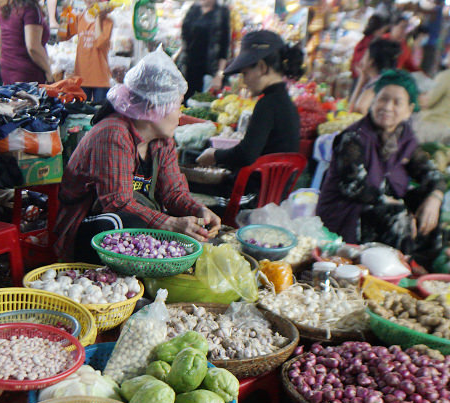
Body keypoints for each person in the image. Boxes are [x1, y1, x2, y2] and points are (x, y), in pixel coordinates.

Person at [55, 47, 221, 263]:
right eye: (178, 106)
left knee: (160, 226)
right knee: (128, 222)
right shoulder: (113, 133)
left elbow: (173, 194)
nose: (180, 115)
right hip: (84, 229)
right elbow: (118, 203)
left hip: (129, 228)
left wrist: (199, 211)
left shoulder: (163, 140)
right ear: (153, 107)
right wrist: (171, 224)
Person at [316, 69, 445, 268]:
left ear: (409, 109)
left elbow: (430, 173)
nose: (387, 107)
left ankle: (420, 264)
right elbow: (353, 187)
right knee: (397, 214)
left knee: (428, 200)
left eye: (396, 102)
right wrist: (395, 204)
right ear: (374, 101)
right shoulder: (354, 137)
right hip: (348, 212)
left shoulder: (404, 137)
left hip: (380, 208)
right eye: (382, 99)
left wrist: (435, 198)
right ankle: (396, 269)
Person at [195, 31, 302, 171]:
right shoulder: (286, 102)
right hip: (276, 190)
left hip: (256, 190)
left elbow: (246, 155)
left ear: (262, 67)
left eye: (245, 73)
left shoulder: (268, 104)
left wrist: (214, 155)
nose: (244, 81)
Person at [180, 0, 230, 101]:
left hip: (208, 71)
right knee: (184, 102)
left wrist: (219, 75)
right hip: (189, 68)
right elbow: (185, 39)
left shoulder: (221, 13)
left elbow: (224, 48)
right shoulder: (193, 10)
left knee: (200, 104)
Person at [0, 0, 53, 85]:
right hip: (29, 75)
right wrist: (49, 72)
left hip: (7, 71)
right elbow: (33, 47)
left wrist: (5, 66)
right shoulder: (30, 9)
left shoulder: (1, 7)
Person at [347, 37, 401, 115]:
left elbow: (358, 109)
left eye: (365, 55)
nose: (361, 59)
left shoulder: (377, 84)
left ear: (371, 61)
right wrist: (362, 79)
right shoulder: (377, 80)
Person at [74, 0, 113, 103]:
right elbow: (62, 36)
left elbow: (100, 43)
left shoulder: (107, 21)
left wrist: (98, 18)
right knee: (79, 115)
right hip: (81, 77)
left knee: (98, 114)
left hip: (100, 78)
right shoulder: (79, 18)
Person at [350, 13, 389, 79]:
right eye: (383, 31)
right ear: (378, 30)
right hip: (362, 78)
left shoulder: (366, 40)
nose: (384, 34)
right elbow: (362, 66)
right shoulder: (373, 44)